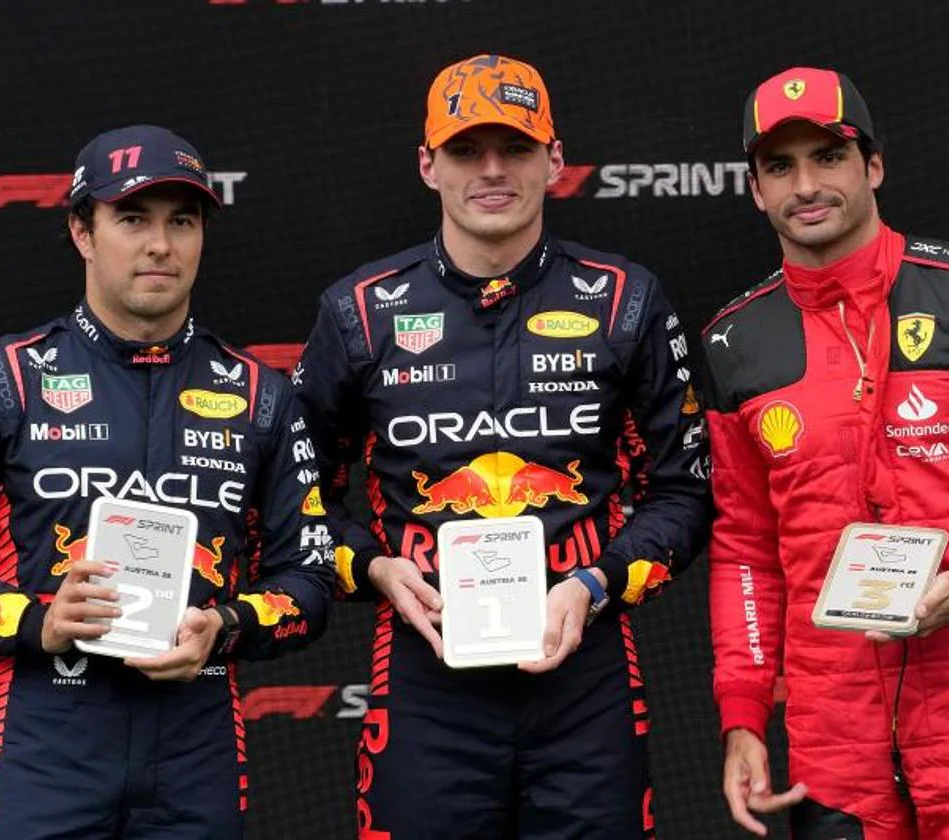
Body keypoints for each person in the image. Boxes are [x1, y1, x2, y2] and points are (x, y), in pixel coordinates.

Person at [295, 53, 710, 838]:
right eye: (465, 151)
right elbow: (299, 500)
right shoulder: (360, 310)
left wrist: (595, 583)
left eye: (515, 148)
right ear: (428, 165)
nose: (492, 170)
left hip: (583, 664)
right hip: (427, 672)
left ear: (554, 160)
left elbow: (685, 491)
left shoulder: (626, 299)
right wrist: (378, 571)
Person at [0, 124, 334, 839]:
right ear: (82, 231)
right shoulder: (3, 381)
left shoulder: (259, 396)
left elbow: (310, 576)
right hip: (45, 748)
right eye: (132, 219)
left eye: (181, 221)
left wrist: (225, 627)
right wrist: (36, 620)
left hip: (197, 751)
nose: (160, 244)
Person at [703, 66, 949, 839]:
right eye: (780, 166)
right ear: (754, 189)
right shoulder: (735, 343)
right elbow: (744, 547)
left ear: (873, 166)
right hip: (830, 733)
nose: (806, 185)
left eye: (829, 156)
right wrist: (742, 712)